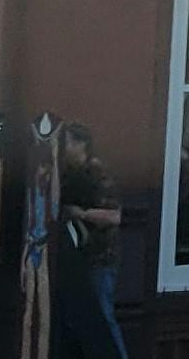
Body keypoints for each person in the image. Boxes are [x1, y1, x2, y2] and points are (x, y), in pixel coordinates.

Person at [48, 126, 124, 359]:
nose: (63, 148)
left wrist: (79, 214)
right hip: (76, 259)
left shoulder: (98, 173)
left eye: (68, 143)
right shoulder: (67, 174)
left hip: (100, 257)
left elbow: (114, 216)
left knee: (102, 315)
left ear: (81, 144)